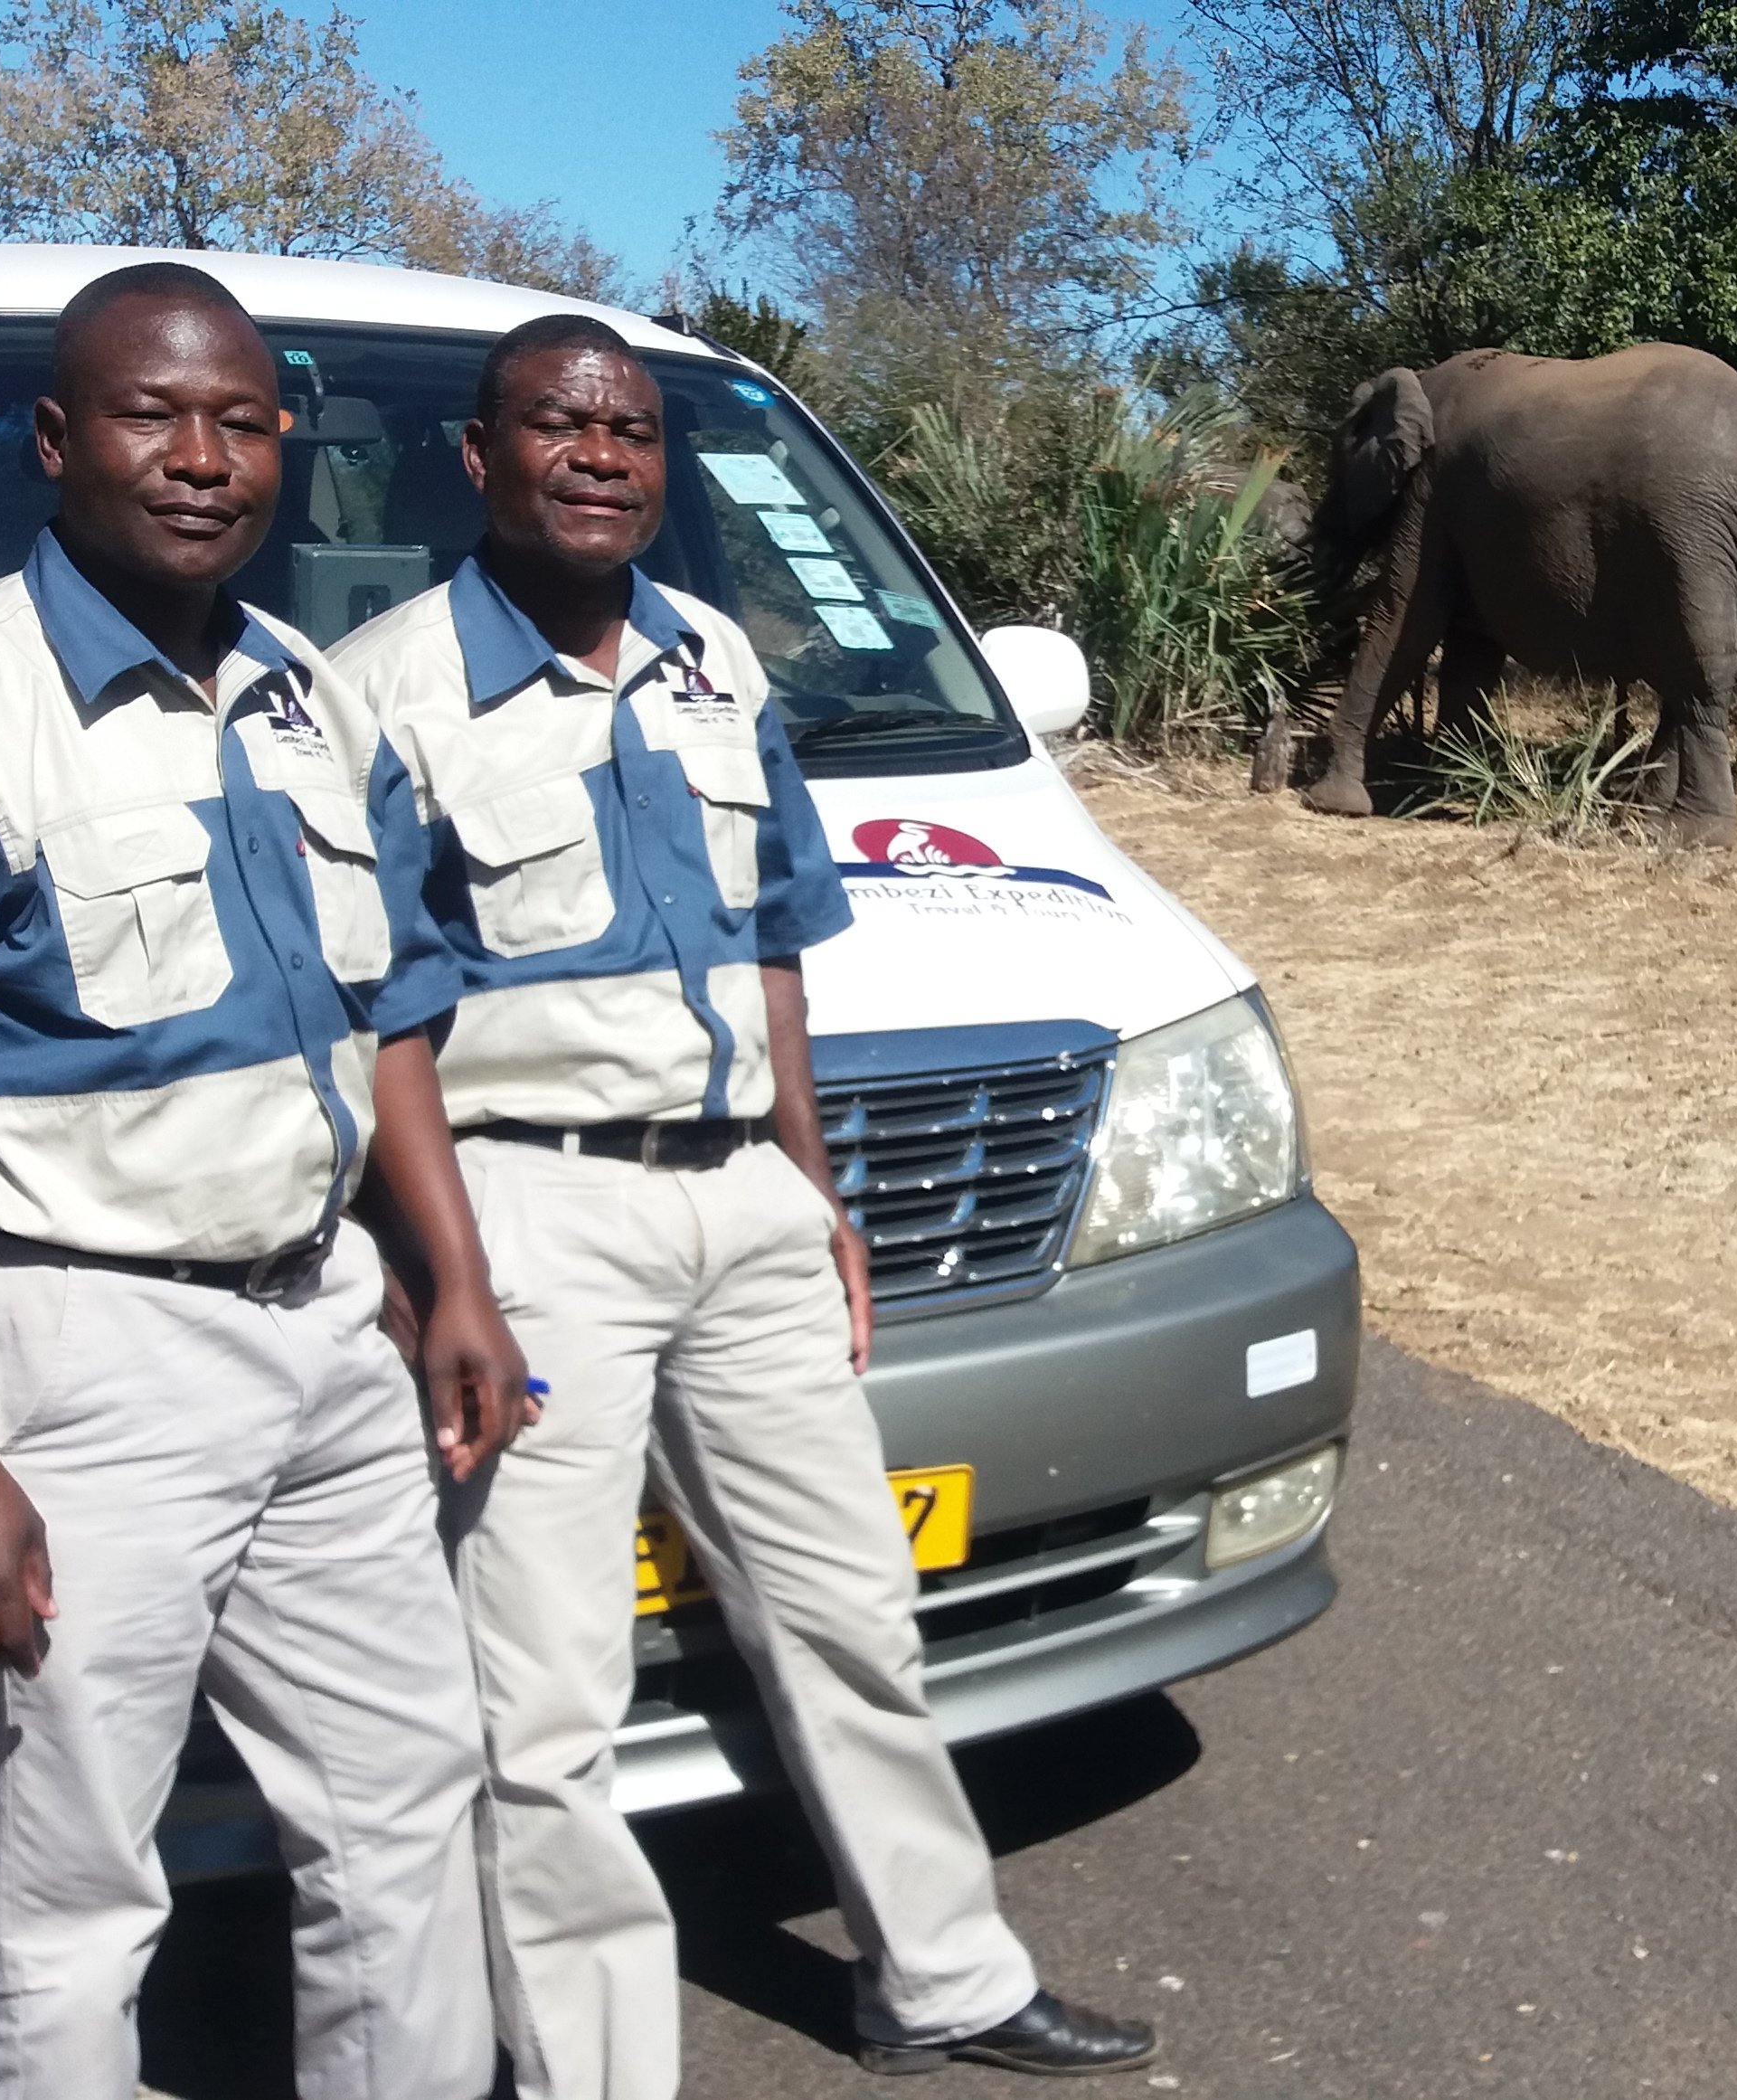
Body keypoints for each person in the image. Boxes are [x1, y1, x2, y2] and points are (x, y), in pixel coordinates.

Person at [331, 313, 1158, 2091]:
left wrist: (818, 1186)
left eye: (630, 430)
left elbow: (778, 943)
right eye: (560, 426)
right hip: (529, 1216)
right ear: (480, 461)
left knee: (854, 1614)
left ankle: (940, 1978)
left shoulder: (714, 656)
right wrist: (447, 1271)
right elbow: (374, 1014)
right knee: (547, 1704)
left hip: (748, 1213)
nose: (602, 455)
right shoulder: (384, 691)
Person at [0, 260, 529, 2100]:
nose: (203, 457)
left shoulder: (307, 701)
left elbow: (394, 1019)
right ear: (55, 443)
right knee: (77, 1894)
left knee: (406, 1808)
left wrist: (456, 1282)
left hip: (331, 1335)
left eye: (244, 421)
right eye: (151, 415)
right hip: (85, 1362)